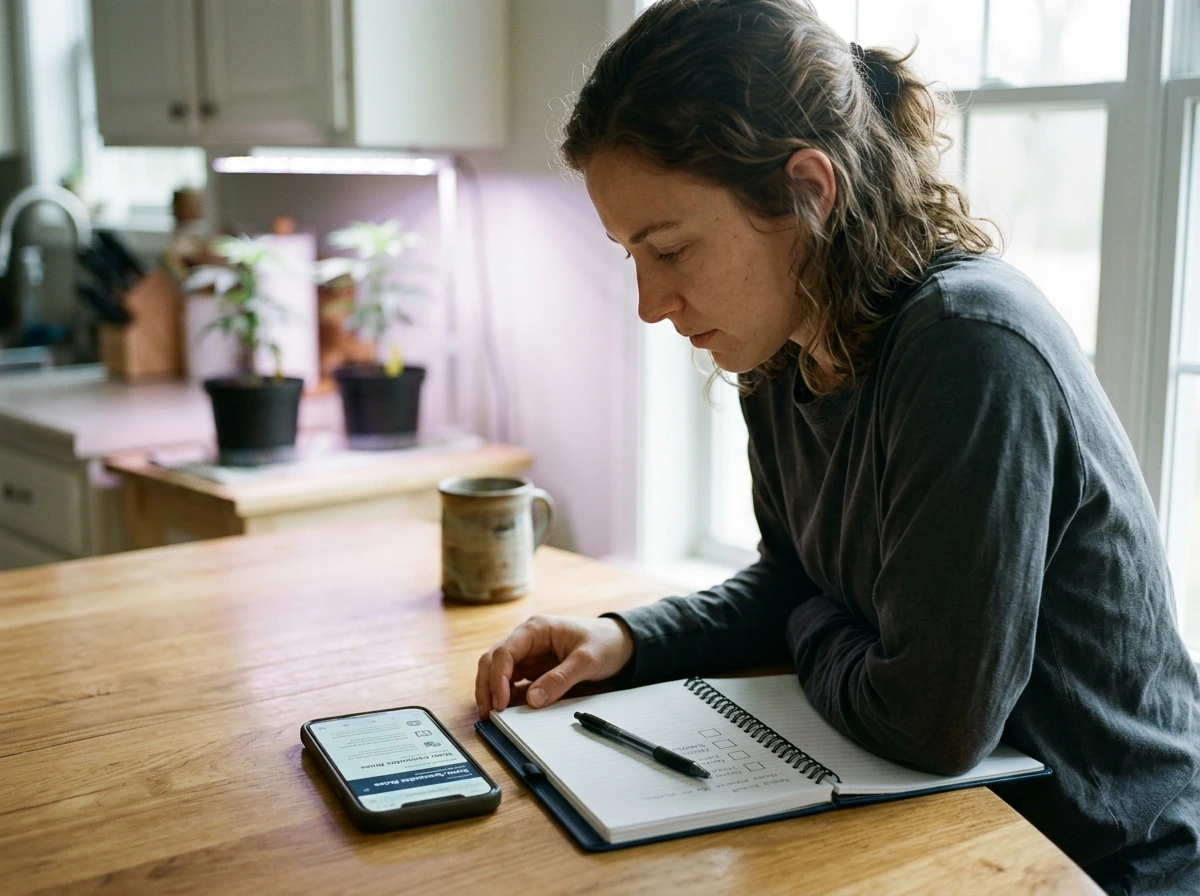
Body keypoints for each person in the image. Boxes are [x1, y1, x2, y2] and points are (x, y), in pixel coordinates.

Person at [473, 1, 1200, 892]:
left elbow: (932, 722)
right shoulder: (780, 350)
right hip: (939, 827)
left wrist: (809, 619)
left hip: (1098, 860)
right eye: (632, 253)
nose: (649, 302)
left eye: (670, 248)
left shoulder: (969, 345)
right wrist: (627, 637)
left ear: (809, 193)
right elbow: (795, 577)